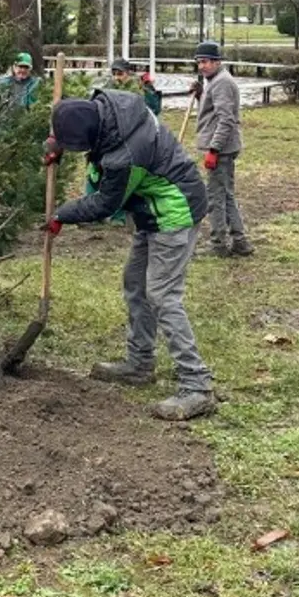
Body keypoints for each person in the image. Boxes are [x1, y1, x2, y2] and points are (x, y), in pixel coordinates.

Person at [42, 90, 217, 421]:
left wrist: (61, 214)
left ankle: (198, 386)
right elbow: (69, 119)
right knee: (135, 284)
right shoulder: (109, 109)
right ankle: (140, 364)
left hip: (173, 211)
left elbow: (105, 204)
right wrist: (57, 142)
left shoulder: (124, 153)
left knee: (163, 296)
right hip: (152, 211)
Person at [193, 41, 253, 258]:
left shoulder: (221, 83)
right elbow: (213, 111)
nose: (202, 66)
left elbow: (226, 120)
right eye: (199, 62)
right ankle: (240, 241)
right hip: (224, 147)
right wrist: (201, 95)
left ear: (217, 62)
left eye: (206, 62)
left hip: (222, 149)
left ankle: (218, 244)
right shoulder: (215, 81)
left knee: (216, 197)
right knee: (226, 194)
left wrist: (214, 149)